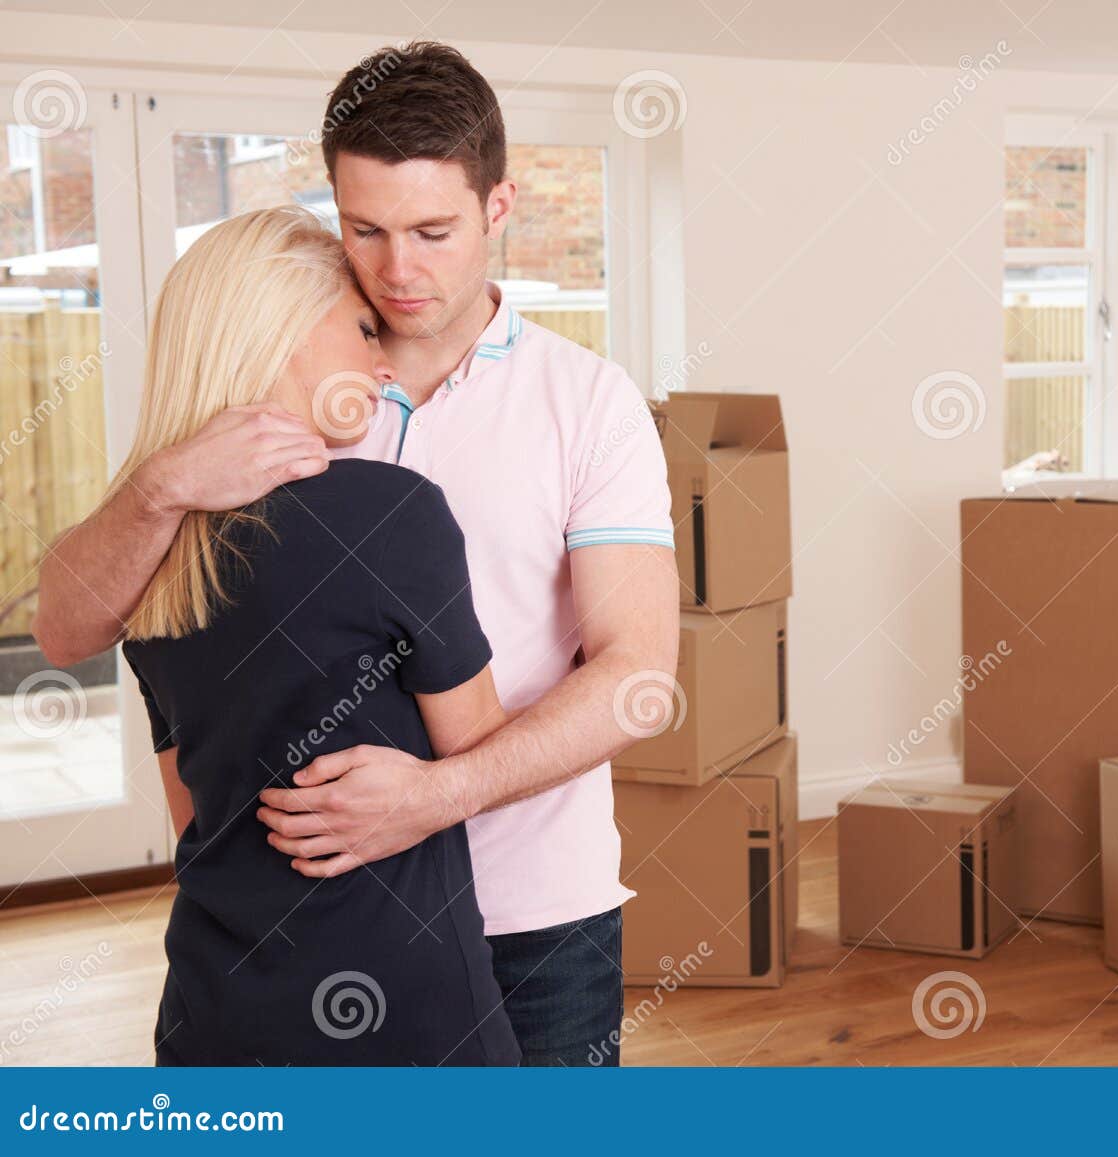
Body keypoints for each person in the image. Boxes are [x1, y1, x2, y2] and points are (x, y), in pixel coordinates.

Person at [34, 42, 678, 1066]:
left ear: (498, 209)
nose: (398, 269)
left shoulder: (588, 402)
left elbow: (638, 676)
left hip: (534, 916)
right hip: (317, 933)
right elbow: (73, 625)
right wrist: (157, 483)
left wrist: (433, 796)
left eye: (433, 230)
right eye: (365, 228)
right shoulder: (263, 385)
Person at [117, 205, 518, 1066]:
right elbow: (484, 753)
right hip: (406, 1016)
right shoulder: (391, 512)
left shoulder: (151, 561)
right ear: (286, 333)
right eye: (364, 329)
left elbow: (194, 813)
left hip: (210, 1014)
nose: (381, 361)